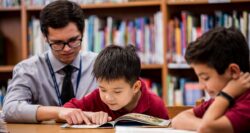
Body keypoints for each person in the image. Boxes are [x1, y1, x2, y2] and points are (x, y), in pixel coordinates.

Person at [2, 0, 97, 123]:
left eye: (73, 40)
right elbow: (10, 109)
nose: (67, 49)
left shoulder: (98, 64)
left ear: (82, 32)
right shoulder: (27, 69)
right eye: (58, 43)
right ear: (45, 38)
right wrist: (58, 112)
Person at [58, 45, 169, 125]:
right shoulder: (97, 97)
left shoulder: (155, 105)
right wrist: (89, 115)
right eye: (103, 89)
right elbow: (66, 109)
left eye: (117, 91)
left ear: (135, 87)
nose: (108, 97)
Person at [171, 27, 250, 133]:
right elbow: (178, 119)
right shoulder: (223, 97)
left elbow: (206, 129)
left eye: (205, 78)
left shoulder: (244, 102)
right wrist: (203, 124)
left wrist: (225, 95)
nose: (201, 86)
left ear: (233, 71)